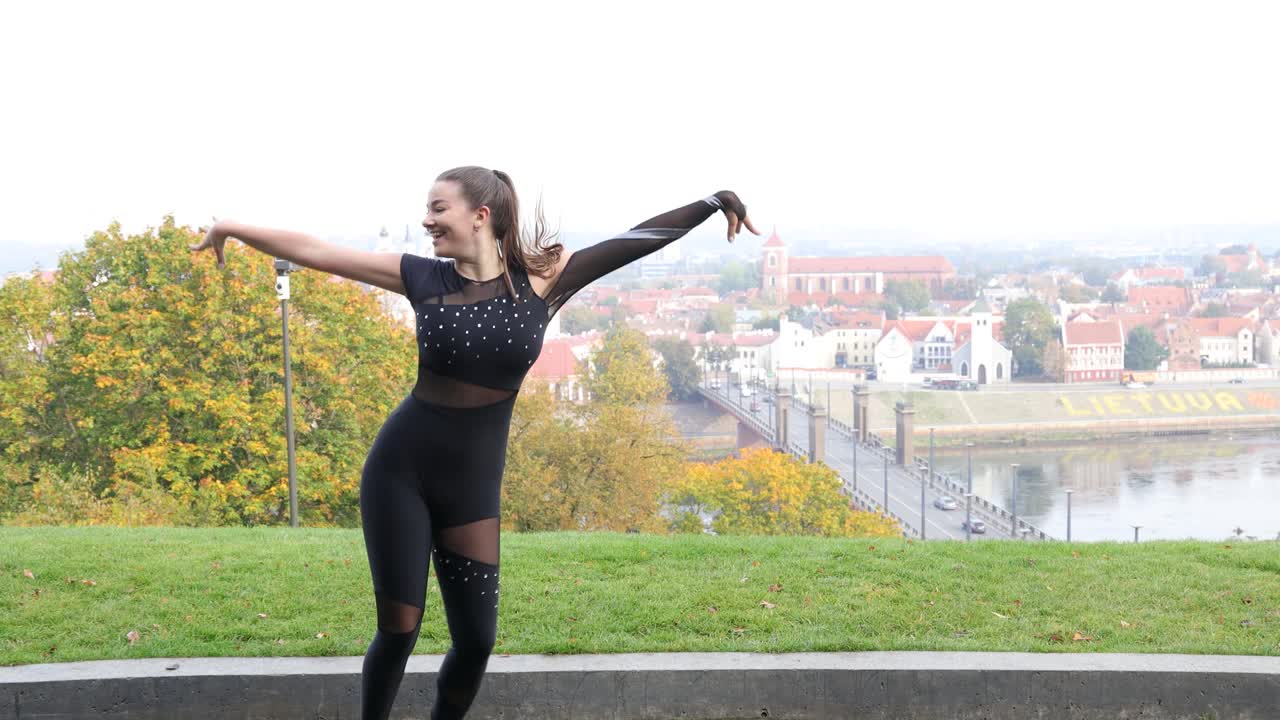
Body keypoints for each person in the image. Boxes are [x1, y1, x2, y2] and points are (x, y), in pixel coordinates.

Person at [190, 165, 759, 719]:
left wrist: (712, 202)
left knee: (477, 641)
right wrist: (232, 227)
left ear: (480, 215)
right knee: (400, 627)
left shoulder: (544, 280)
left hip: (471, 486)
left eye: (438, 209)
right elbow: (317, 251)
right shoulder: (422, 278)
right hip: (400, 472)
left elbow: (635, 241)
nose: (427, 221)